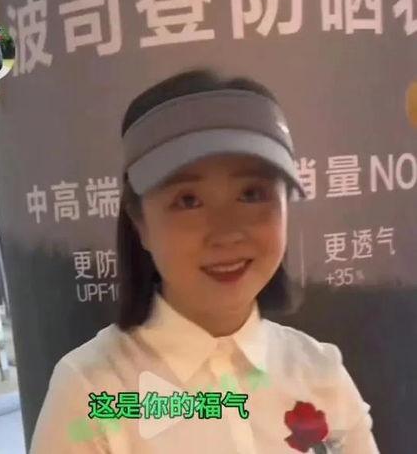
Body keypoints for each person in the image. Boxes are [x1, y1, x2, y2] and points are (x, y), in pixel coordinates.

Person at [29, 69, 380, 453]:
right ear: (139, 223)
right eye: (188, 201)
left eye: (252, 194)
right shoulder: (91, 391)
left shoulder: (320, 372)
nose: (226, 233)